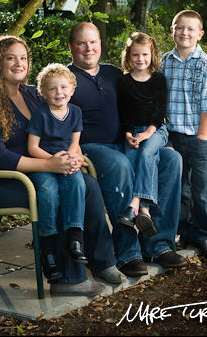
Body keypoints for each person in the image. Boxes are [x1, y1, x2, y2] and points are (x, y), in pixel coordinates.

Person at [0, 35, 126, 297]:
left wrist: (71, 156)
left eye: (23, 58)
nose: (19, 63)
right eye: (11, 58)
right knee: (59, 193)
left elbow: (60, 131)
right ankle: (67, 280)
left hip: (39, 168)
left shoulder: (31, 94)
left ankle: (101, 261)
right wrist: (49, 164)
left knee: (88, 185)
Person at [68, 22, 188, 277]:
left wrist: (149, 134)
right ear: (71, 47)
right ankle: (128, 253)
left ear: (100, 44)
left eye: (93, 42)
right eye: (82, 43)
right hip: (93, 147)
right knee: (119, 164)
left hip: (130, 141)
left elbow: (145, 102)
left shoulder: (114, 74)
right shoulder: (66, 78)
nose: (89, 48)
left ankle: (158, 244)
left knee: (172, 159)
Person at [160, 9, 207, 260]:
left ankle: (202, 234)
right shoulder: (165, 61)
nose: (184, 32)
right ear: (172, 31)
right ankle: (183, 230)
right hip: (173, 135)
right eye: (179, 27)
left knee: (202, 189)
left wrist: (199, 138)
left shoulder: (206, 64)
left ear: (200, 34)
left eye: (190, 29)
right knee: (181, 188)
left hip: (199, 136)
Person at [26, 63, 87, 280]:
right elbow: (32, 147)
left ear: (72, 89)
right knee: (47, 190)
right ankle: (48, 250)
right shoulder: (41, 115)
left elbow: (74, 142)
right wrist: (52, 162)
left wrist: (71, 160)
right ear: (43, 93)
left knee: (78, 184)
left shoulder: (76, 112)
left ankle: (74, 239)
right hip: (44, 162)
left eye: (63, 87)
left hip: (66, 161)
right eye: (52, 89)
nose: (59, 92)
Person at [116, 32, 169, 239]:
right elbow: (125, 112)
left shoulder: (158, 80)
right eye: (135, 55)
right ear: (128, 56)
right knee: (130, 161)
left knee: (147, 153)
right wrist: (129, 134)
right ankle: (145, 212)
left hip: (157, 130)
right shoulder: (123, 82)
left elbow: (159, 112)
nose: (140, 59)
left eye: (145, 55)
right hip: (134, 131)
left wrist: (148, 133)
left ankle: (134, 205)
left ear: (152, 55)